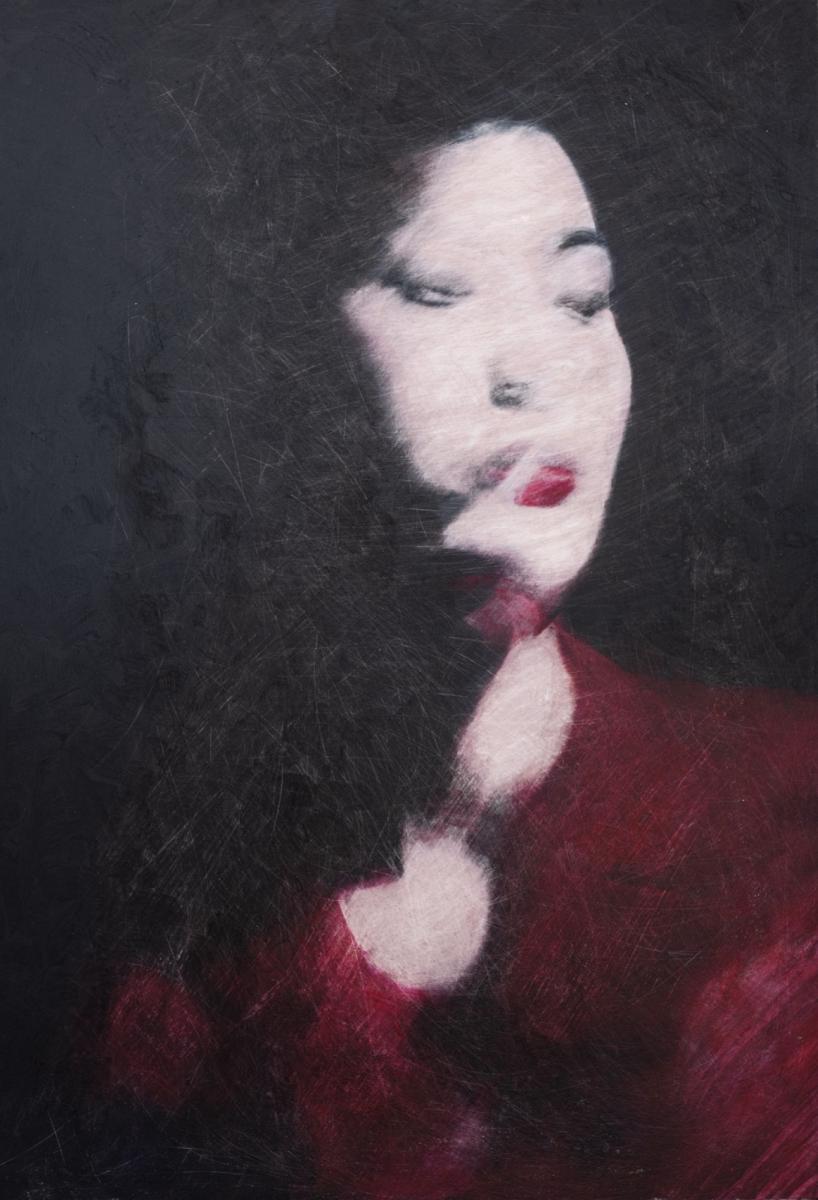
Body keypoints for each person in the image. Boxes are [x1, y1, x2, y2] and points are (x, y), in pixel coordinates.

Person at [95, 119, 818, 1199]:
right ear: (266, 351)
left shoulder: (789, 820)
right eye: (439, 291)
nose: (538, 371)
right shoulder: (130, 897)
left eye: (583, 299)